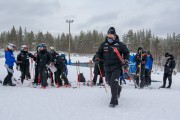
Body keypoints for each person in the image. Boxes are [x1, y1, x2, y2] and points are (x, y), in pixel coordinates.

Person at [95, 27, 129, 107]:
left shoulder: (120, 44)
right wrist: (97, 58)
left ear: (114, 35)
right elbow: (99, 53)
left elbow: (126, 52)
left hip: (116, 67)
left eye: (111, 34)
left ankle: (114, 101)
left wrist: (126, 61)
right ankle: (119, 88)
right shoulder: (103, 44)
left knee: (113, 83)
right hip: (106, 67)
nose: (110, 36)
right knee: (109, 82)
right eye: (109, 34)